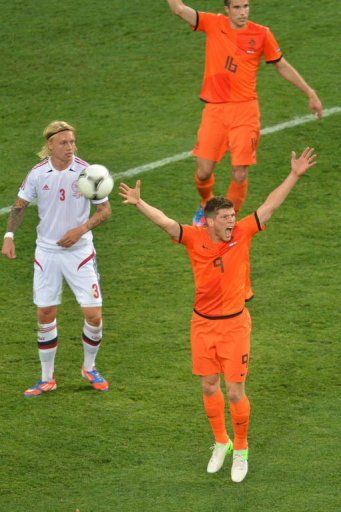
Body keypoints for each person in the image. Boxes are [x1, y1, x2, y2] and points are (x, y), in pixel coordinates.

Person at [119, 147, 316, 483]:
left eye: (231, 216)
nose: (230, 222)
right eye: (224, 218)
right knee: (209, 386)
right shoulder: (194, 238)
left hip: (235, 325)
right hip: (202, 325)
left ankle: (241, 448)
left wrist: (294, 175)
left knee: (235, 391)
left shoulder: (242, 232)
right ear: (209, 221)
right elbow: (165, 222)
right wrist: (139, 204)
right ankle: (220, 442)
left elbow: (269, 207)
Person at [165, 0, 323, 225]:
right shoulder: (213, 23)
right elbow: (179, 9)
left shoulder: (261, 34)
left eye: (246, 6)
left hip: (246, 112)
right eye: (237, 7)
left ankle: (227, 221)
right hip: (215, 110)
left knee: (239, 173)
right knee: (203, 172)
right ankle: (206, 204)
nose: (243, 12)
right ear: (227, 9)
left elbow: (281, 64)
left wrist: (310, 92)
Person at [1, 121, 112, 397]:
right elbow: (19, 206)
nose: (70, 148)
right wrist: (9, 237)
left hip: (80, 253)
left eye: (72, 142)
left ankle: (89, 367)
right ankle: (46, 378)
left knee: (93, 315)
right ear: (50, 144)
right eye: (64, 143)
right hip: (47, 253)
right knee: (45, 314)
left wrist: (80, 229)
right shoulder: (38, 174)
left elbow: (105, 211)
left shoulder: (87, 172)